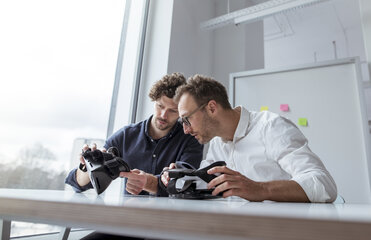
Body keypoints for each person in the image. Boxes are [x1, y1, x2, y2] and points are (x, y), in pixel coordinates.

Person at [164, 74, 337, 203]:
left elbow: (323, 185)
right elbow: (207, 185)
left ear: (211, 108)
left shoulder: (271, 127)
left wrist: (260, 189)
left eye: (187, 119)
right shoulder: (217, 142)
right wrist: (181, 177)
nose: (185, 130)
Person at [65, 72, 203, 197]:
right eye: (160, 106)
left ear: (181, 112)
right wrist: (88, 166)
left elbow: (186, 185)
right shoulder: (126, 136)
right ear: (154, 100)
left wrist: (148, 183)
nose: (163, 115)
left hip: (171, 220)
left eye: (172, 111)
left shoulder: (191, 139)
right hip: (128, 219)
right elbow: (78, 185)